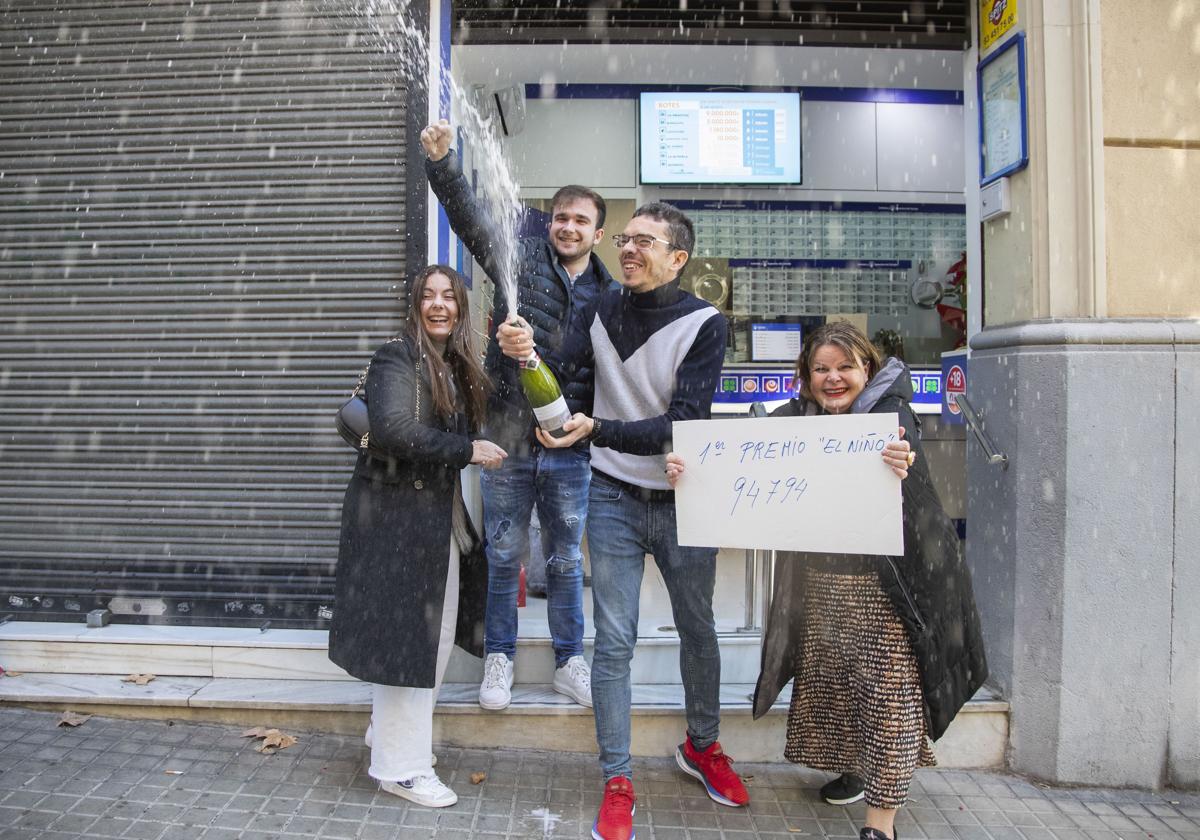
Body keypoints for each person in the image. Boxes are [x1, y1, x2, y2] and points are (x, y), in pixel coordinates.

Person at [666, 321, 988, 840]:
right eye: (821, 369)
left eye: (845, 367)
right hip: (823, 588)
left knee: (890, 699)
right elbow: (736, 460)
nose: (833, 378)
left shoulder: (892, 415)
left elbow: (911, 479)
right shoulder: (797, 419)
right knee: (838, 692)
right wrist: (692, 472)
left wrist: (901, 462)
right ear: (805, 375)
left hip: (892, 591)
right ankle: (858, 769)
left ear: (868, 368)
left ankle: (880, 826)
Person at [498, 202, 749, 840]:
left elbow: (683, 421)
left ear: (678, 258)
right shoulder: (598, 307)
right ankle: (617, 779)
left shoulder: (705, 323)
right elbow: (567, 378)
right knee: (613, 644)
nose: (630, 250)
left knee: (698, 628)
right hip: (611, 496)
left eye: (646, 241)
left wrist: (597, 428)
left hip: (682, 495)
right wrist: (527, 358)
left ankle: (703, 746)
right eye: (627, 239)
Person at [421, 119, 615, 711]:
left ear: (598, 233)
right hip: (505, 439)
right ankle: (498, 660)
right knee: (505, 555)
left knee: (563, 559)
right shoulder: (519, 255)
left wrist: (583, 425)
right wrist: (443, 164)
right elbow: (471, 219)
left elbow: (609, 378)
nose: (568, 227)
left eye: (581, 220)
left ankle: (569, 662)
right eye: (560, 217)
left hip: (570, 448)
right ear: (549, 221)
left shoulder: (612, 296)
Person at [328, 265, 507, 808]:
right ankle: (401, 769)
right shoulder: (397, 356)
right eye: (427, 296)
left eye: (449, 296)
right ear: (414, 305)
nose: (438, 305)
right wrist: (468, 451)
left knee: (422, 639)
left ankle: (391, 741)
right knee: (413, 644)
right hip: (396, 521)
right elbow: (393, 431)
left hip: (427, 520)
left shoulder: (452, 363)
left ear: (462, 307)